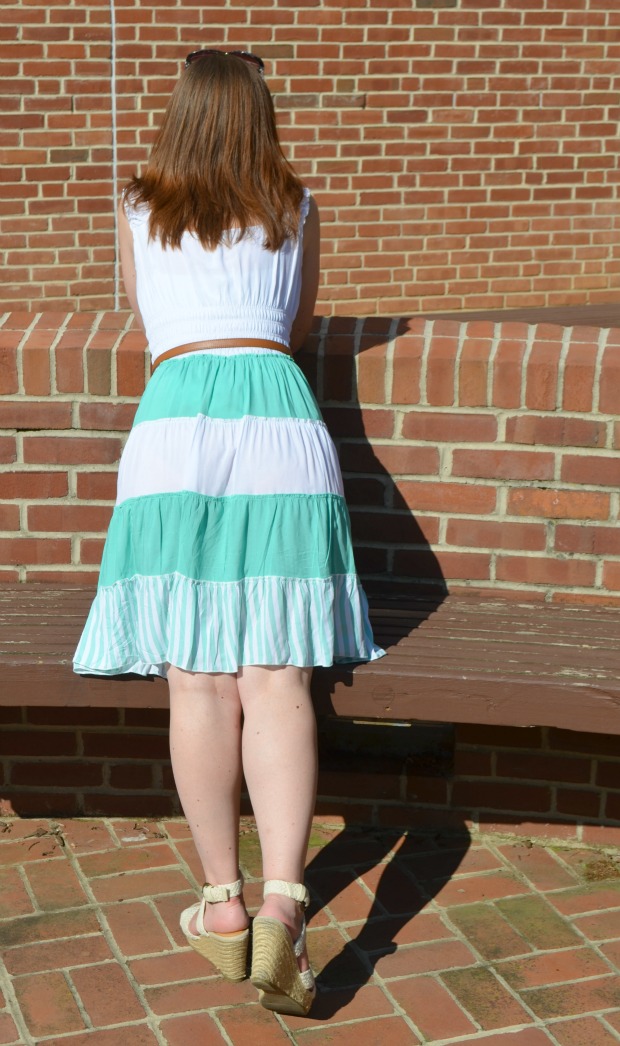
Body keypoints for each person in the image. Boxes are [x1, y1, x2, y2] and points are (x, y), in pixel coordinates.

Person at [73, 48, 384, 1017]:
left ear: (179, 113)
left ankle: (222, 904)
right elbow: (297, 327)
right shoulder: (294, 205)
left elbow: (149, 321)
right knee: (278, 676)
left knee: (198, 678)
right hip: (278, 422)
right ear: (260, 115)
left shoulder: (138, 206)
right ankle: (287, 903)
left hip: (175, 426)